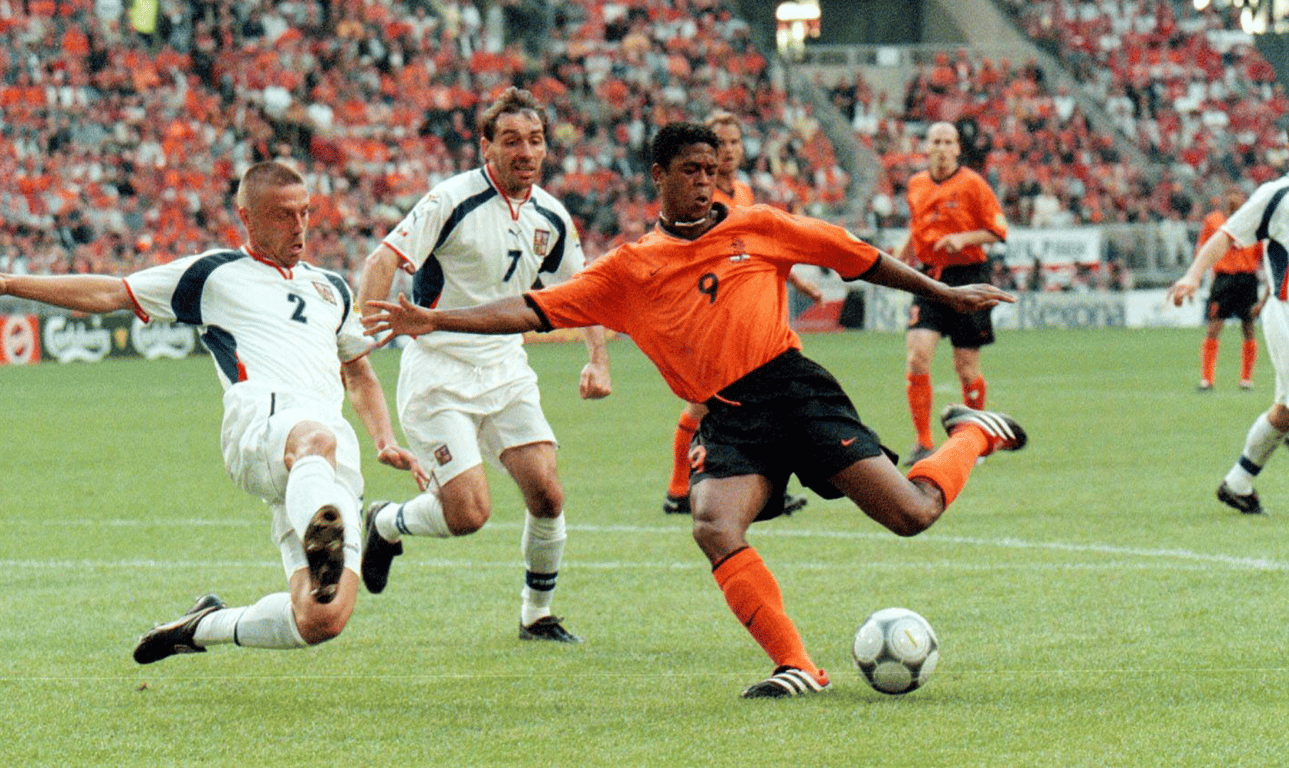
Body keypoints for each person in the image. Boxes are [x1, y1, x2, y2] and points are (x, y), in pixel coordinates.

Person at [366, 122, 1027, 698]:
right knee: (713, 525)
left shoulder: (760, 226)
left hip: (795, 394)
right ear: (659, 176)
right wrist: (434, 317)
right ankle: (797, 664)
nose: (705, 182)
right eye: (691, 171)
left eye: (712, 170)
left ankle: (971, 434)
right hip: (729, 416)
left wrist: (945, 291)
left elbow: (859, 258)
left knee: (912, 514)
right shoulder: (630, 269)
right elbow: (533, 309)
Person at [0, 160, 425, 662]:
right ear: (247, 219)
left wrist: (384, 439)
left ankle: (201, 625)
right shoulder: (214, 275)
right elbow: (112, 291)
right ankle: (323, 532)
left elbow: (358, 372)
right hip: (262, 425)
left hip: (324, 457)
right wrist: (11, 284)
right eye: (283, 216)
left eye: (305, 213)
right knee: (313, 439)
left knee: (322, 618)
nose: (299, 227)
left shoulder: (332, 289)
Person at [355, 87, 612, 643]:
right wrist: (360, 335)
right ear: (486, 147)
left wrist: (597, 359)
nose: (526, 151)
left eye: (536, 141)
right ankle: (386, 522)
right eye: (512, 140)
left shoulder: (552, 216)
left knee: (547, 493)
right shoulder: (452, 201)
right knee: (469, 515)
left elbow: (585, 290)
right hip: (440, 374)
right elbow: (384, 259)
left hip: (505, 369)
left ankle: (536, 616)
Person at [662, 110, 819, 517]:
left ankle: (697, 489)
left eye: (734, 142)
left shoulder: (744, 193)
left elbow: (758, 248)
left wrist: (799, 283)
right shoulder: (699, 195)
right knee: (710, 403)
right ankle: (682, 488)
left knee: (734, 402)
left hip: (743, 315)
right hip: (711, 313)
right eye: (720, 143)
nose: (728, 150)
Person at [1168, 171, 1289, 515]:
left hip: (1271, 296)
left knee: (1284, 412)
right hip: (1286, 313)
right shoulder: (1277, 195)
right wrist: (1193, 276)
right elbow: (1226, 235)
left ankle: (1238, 483)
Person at [894, 121, 1008, 465]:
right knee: (917, 355)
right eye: (936, 141)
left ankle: (975, 436)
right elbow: (917, 230)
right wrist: (895, 260)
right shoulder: (916, 184)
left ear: (958, 148)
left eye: (948, 141)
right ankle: (923, 442)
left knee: (966, 366)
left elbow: (998, 230)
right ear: (926, 147)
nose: (942, 147)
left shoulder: (973, 184)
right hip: (930, 277)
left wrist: (964, 239)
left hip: (968, 276)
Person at [1194, 191, 1266, 391]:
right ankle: (1207, 380)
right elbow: (1203, 247)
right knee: (1214, 327)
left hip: (1247, 278)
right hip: (1223, 279)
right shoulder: (1213, 220)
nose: (1234, 200)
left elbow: (1260, 251)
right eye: (1230, 196)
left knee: (1249, 326)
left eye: (1237, 197)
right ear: (1226, 201)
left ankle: (1246, 379)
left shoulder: (1253, 220)